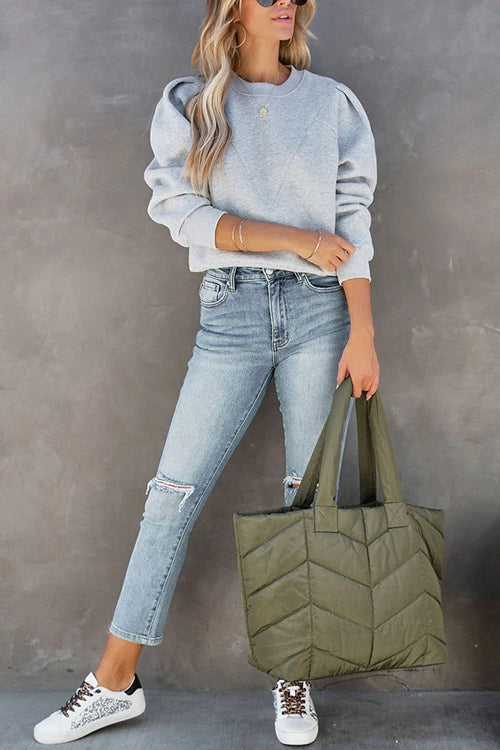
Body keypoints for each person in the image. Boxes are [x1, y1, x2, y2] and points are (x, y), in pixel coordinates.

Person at [33, 0, 380, 745]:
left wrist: (365, 333)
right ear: (234, 8)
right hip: (231, 311)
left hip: (323, 313)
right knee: (171, 494)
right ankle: (115, 683)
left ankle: (294, 674)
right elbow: (179, 211)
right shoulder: (191, 104)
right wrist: (295, 238)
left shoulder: (331, 104)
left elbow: (353, 218)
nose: (283, 2)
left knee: (306, 500)